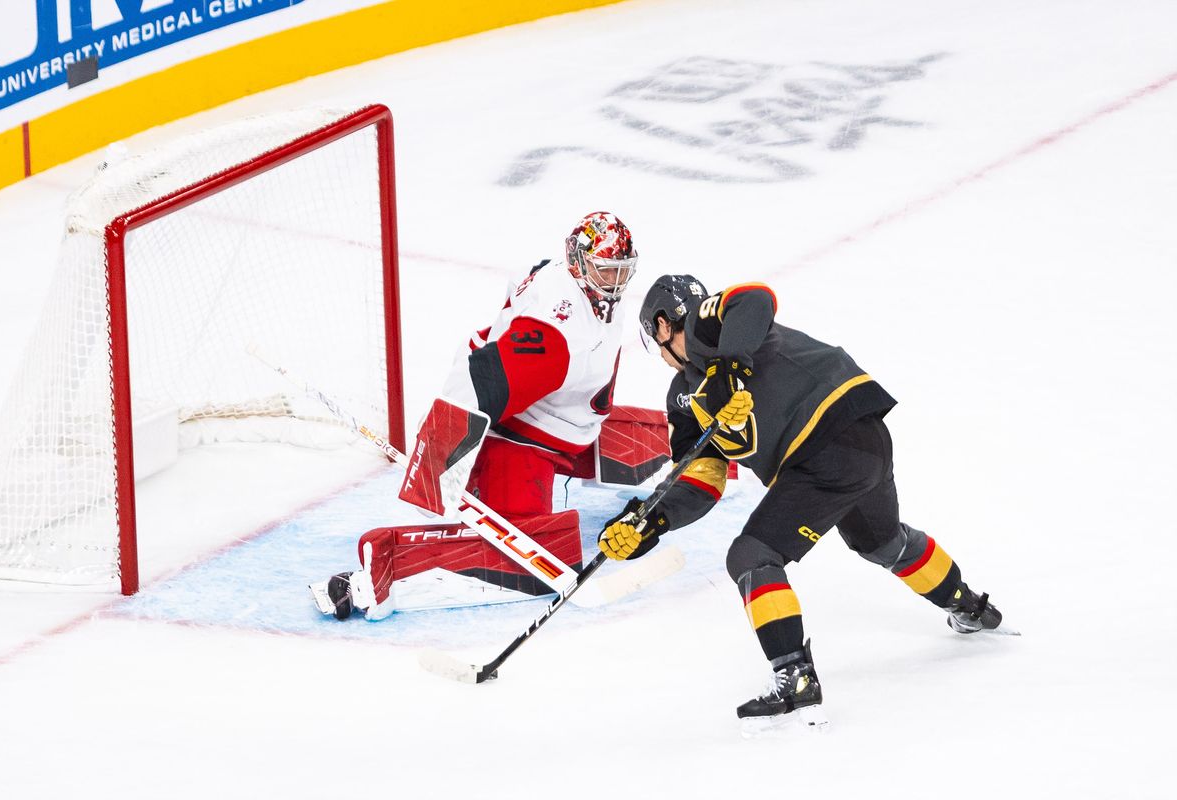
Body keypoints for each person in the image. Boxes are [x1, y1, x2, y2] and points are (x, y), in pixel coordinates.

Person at [599, 274, 1004, 728]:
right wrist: (655, 519)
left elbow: (752, 298)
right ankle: (969, 606)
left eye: (656, 341)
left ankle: (795, 677)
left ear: (660, 325)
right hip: (858, 443)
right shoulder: (683, 399)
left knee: (752, 555)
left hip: (828, 445)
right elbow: (704, 476)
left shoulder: (704, 327)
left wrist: (729, 367)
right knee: (882, 543)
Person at [318, 211, 639, 620]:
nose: (615, 284)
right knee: (530, 558)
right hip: (520, 432)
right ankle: (386, 566)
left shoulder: (575, 285)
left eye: (621, 272)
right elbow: (481, 382)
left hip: (564, 411)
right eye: (605, 272)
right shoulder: (555, 335)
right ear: (577, 262)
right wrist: (437, 464)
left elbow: (526, 286)